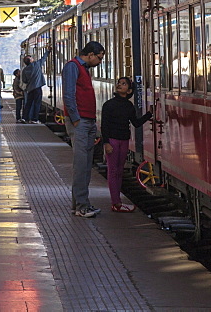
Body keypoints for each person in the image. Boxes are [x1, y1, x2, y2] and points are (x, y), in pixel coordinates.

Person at [62, 41, 106, 218]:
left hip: (87, 121)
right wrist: (76, 120)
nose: (100, 62)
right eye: (99, 58)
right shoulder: (73, 67)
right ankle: (81, 206)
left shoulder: (84, 69)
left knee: (86, 164)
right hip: (80, 122)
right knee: (81, 165)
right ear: (91, 54)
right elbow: (68, 94)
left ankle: (80, 204)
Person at [100, 77, 152, 212]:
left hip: (124, 140)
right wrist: (106, 143)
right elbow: (104, 126)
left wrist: (149, 114)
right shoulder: (108, 105)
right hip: (112, 140)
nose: (119, 85)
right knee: (113, 171)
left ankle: (117, 201)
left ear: (129, 91)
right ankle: (116, 202)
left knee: (119, 171)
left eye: (123, 84)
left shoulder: (129, 106)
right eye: (119, 83)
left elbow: (135, 123)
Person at [21, 48, 50, 124]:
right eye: (31, 57)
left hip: (30, 89)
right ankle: (35, 119)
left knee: (28, 104)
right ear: (30, 60)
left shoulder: (24, 70)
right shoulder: (36, 65)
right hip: (37, 88)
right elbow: (44, 58)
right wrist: (48, 51)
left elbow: (24, 80)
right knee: (37, 103)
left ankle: (24, 118)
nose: (32, 58)